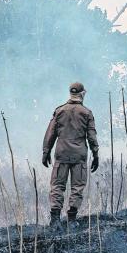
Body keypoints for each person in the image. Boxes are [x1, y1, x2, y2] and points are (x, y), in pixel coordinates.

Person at [42, 82, 99, 227]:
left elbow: (50, 133)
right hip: (79, 156)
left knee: (57, 185)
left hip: (61, 154)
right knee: (77, 186)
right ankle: (72, 219)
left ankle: (55, 220)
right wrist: (96, 154)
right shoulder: (86, 113)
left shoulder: (59, 111)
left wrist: (46, 151)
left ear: (70, 93)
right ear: (82, 93)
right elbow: (92, 137)